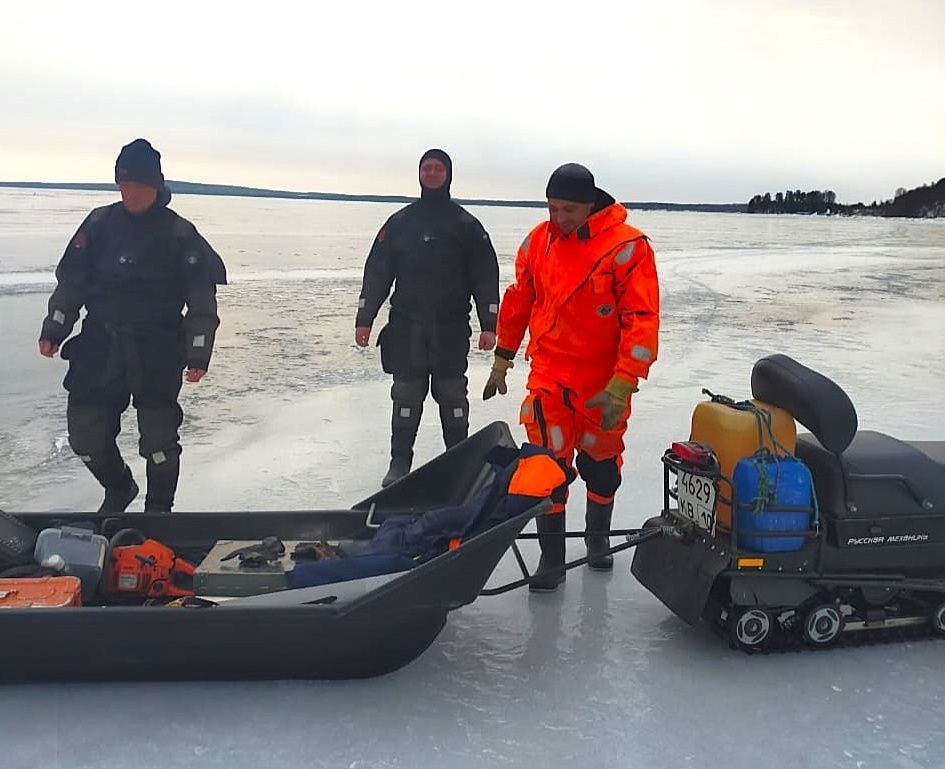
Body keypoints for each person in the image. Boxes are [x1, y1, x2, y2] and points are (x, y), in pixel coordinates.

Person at [483, 163, 660, 591]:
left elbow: (641, 319)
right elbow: (519, 301)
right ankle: (552, 558)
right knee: (547, 465)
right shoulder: (537, 242)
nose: (559, 218)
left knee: (601, 466)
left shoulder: (627, 247)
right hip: (549, 376)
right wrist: (503, 359)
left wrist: (623, 382)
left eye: (568, 210)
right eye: (552, 208)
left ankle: (597, 540)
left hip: (603, 383)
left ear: (590, 205)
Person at [38, 138, 227, 513]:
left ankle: (159, 512)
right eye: (125, 184)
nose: (132, 192)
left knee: (159, 443)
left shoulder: (180, 234)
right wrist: (54, 328)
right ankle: (119, 487)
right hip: (100, 345)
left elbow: (202, 302)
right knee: (85, 435)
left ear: (156, 185)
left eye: (140, 184)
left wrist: (198, 352)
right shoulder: (99, 224)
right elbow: (72, 283)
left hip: (157, 348)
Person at [355, 149, 500, 487]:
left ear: (448, 174)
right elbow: (377, 272)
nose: (432, 173)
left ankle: (458, 463)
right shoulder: (400, 223)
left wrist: (489, 324)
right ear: (419, 174)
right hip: (406, 327)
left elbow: (485, 276)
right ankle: (399, 464)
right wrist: (365, 317)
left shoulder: (466, 225)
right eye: (427, 168)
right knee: (406, 393)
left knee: (452, 394)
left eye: (438, 168)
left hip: (450, 328)